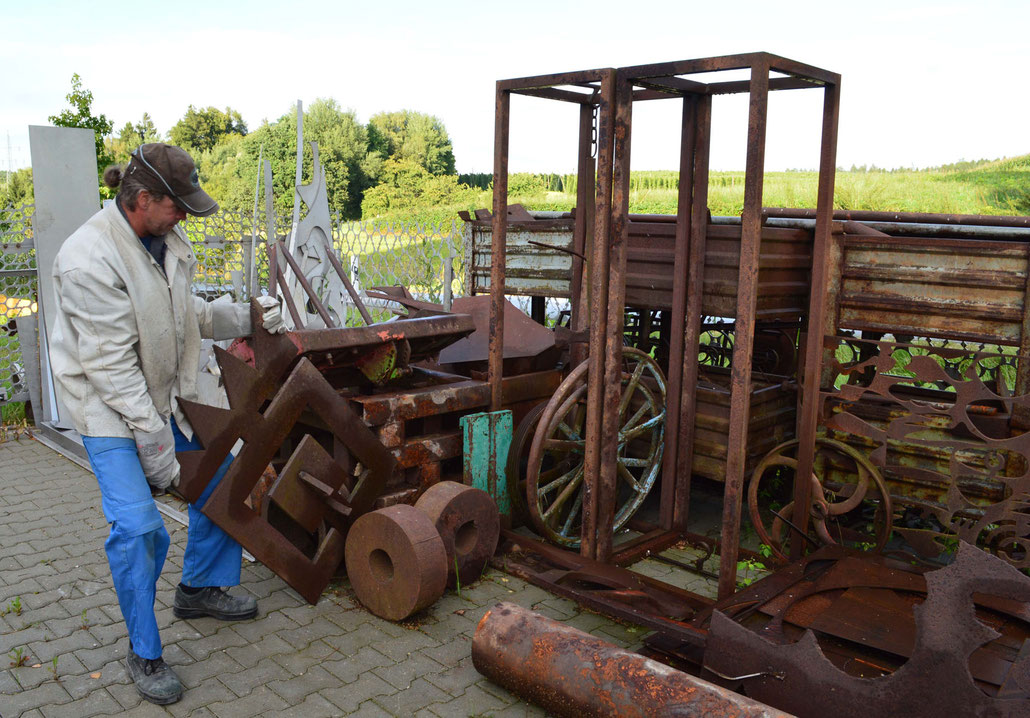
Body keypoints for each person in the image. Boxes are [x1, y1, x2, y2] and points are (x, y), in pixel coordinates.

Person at [49, 143, 287, 705]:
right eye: (177, 204)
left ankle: (200, 588)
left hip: (160, 395)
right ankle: (143, 650)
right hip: (108, 408)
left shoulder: (164, 241)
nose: (185, 214)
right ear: (142, 199)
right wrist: (157, 449)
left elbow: (188, 317)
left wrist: (248, 315)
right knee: (139, 530)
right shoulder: (88, 258)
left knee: (222, 483)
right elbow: (111, 368)